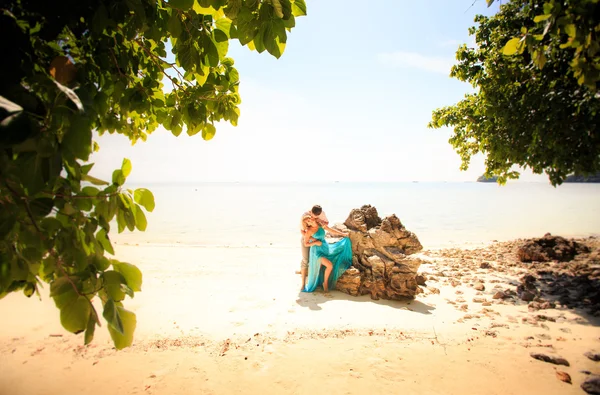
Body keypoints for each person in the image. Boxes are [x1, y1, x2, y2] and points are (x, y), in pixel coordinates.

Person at [301, 215, 352, 295]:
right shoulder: (309, 231)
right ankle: (325, 283)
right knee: (329, 265)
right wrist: (315, 242)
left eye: (309, 219)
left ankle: (321, 282)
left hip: (324, 247)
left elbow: (330, 230)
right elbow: (305, 244)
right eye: (307, 222)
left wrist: (342, 234)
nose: (309, 221)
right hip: (316, 252)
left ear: (312, 218)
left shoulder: (320, 224)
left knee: (336, 252)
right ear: (307, 224)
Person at [298, 205, 329, 276]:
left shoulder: (322, 213)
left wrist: (319, 221)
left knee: (314, 258)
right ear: (310, 211)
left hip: (317, 238)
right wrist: (311, 239)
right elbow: (302, 231)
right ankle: (302, 272)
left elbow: (326, 223)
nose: (313, 218)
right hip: (306, 237)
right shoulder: (305, 216)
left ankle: (310, 273)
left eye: (315, 216)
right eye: (312, 215)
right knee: (305, 259)